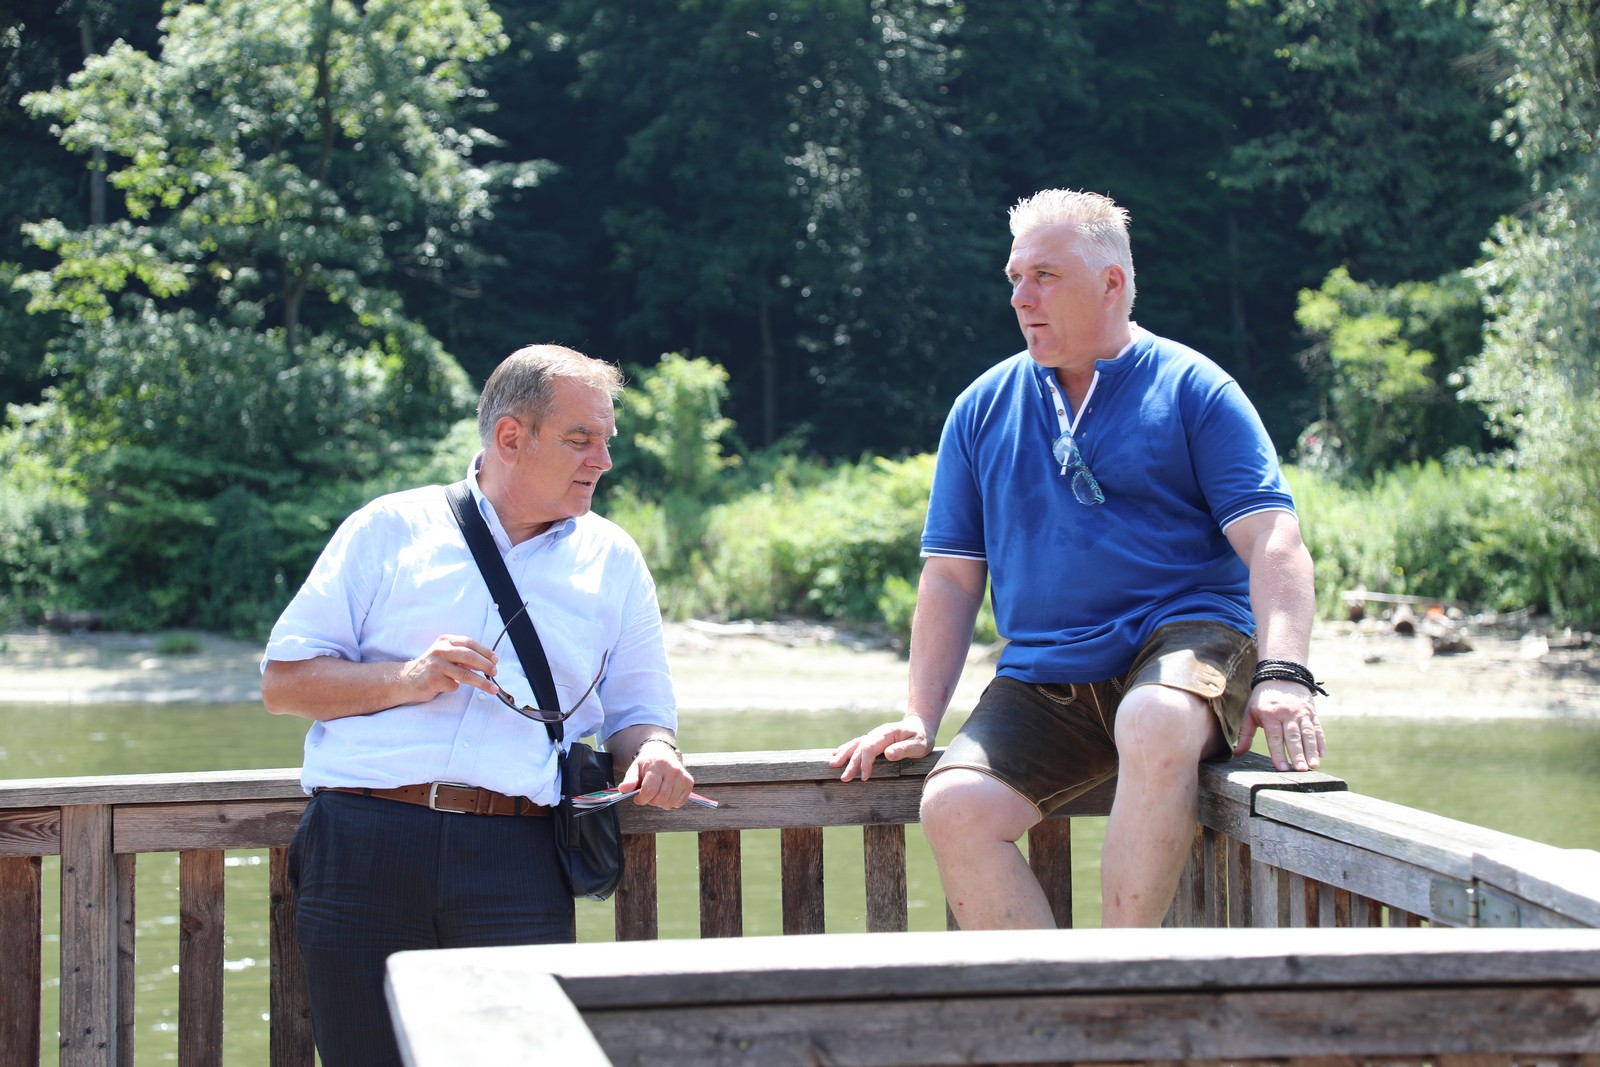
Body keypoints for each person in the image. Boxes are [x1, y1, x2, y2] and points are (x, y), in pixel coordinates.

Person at [830, 189, 1324, 929]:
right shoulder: (981, 407)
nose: (1021, 298)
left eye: (1045, 276)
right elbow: (952, 577)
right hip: (1048, 671)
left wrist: (1285, 674)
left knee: (1154, 716)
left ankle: (1120, 977)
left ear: (1112, 283)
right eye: (1014, 278)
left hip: (1185, 643)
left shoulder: (1195, 388)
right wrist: (919, 716)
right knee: (955, 804)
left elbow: (1274, 539)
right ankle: (1066, 995)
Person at [261, 344, 694, 1066]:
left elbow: (640, 710)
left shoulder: (614, 559)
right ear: (511, 437)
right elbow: (284, 684)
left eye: (606, 439)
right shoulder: (387, 529)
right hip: (364, 843)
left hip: (517, 855)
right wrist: (407, 678)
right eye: (581, 439)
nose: (604, 460)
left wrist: (655, 750)